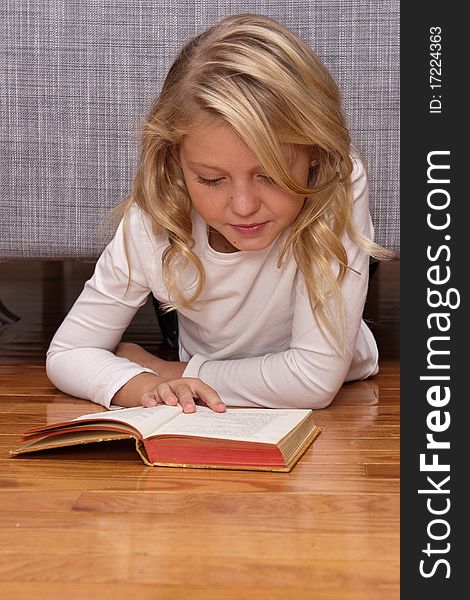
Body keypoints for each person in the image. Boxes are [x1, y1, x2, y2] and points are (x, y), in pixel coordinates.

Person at [46, 13, 389, 415]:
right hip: (204, 330)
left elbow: (313, 381)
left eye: (271, 176)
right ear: (176, 160)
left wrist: (171, 369)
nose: (243, 206)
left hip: (318, 357)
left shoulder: (338, 181)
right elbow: (68, 351)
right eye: (211, 179)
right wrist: (144, 386)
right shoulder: (153, 216)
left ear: (315, 155)